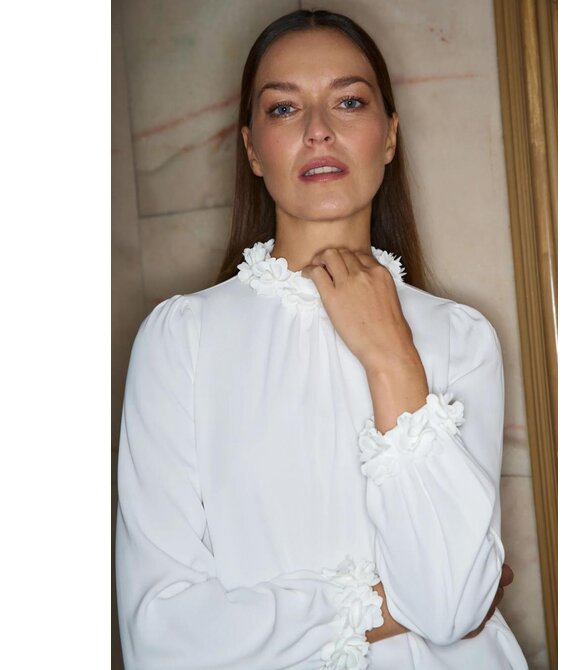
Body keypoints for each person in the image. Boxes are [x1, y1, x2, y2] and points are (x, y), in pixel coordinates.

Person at [115, 9, 528, 670]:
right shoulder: (182, 340)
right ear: (252, 149)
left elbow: (452, 604)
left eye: (349, 101)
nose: (318, 130)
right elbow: (163, 636)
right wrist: (392, 607)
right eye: (284, 109)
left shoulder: (461, 338)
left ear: (389, 136)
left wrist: (390, 355)